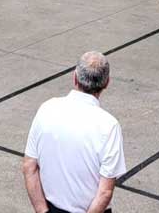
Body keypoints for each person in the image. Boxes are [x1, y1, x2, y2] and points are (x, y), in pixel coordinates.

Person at [22, 52, 126, 213]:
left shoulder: (47, 108)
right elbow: (105, 192)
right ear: (107, 83)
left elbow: (29, 166)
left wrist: (42, 211)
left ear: (75, 77)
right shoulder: (109, 126)